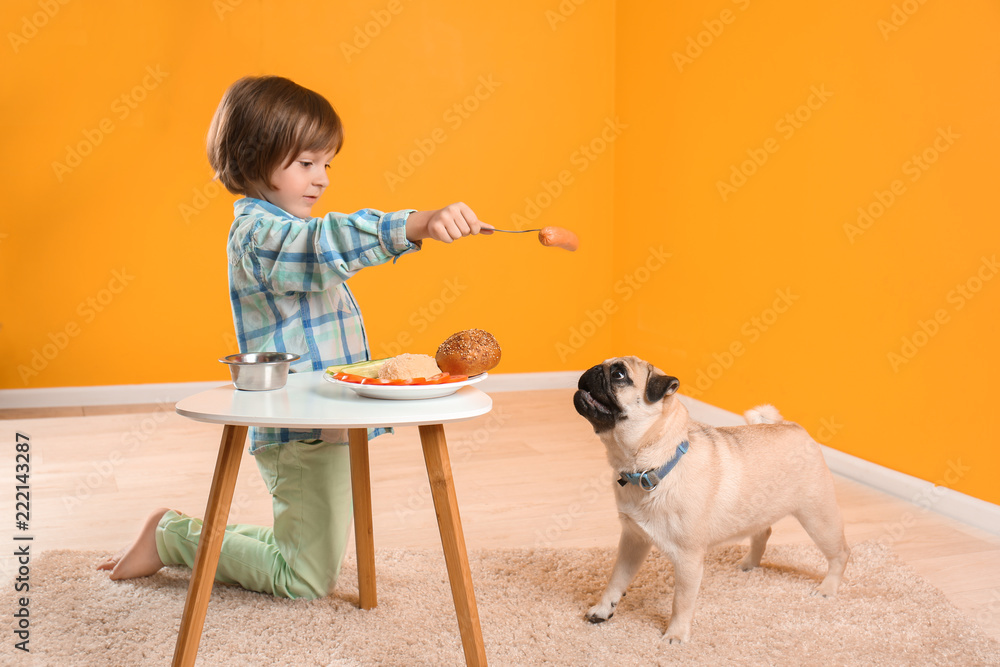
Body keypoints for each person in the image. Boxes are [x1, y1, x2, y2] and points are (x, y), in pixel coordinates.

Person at [98, 75, 490, 598]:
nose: (322, 178)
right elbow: (320, 247)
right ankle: (173, 539)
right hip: (300, 433)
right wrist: (413, 224)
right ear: (253, 157)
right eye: (306, 163)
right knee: (303, 580)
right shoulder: (261, 235)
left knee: (301, 547)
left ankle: (177, 531)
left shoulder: (283, 226)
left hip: (325, 421)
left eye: (326, 164)